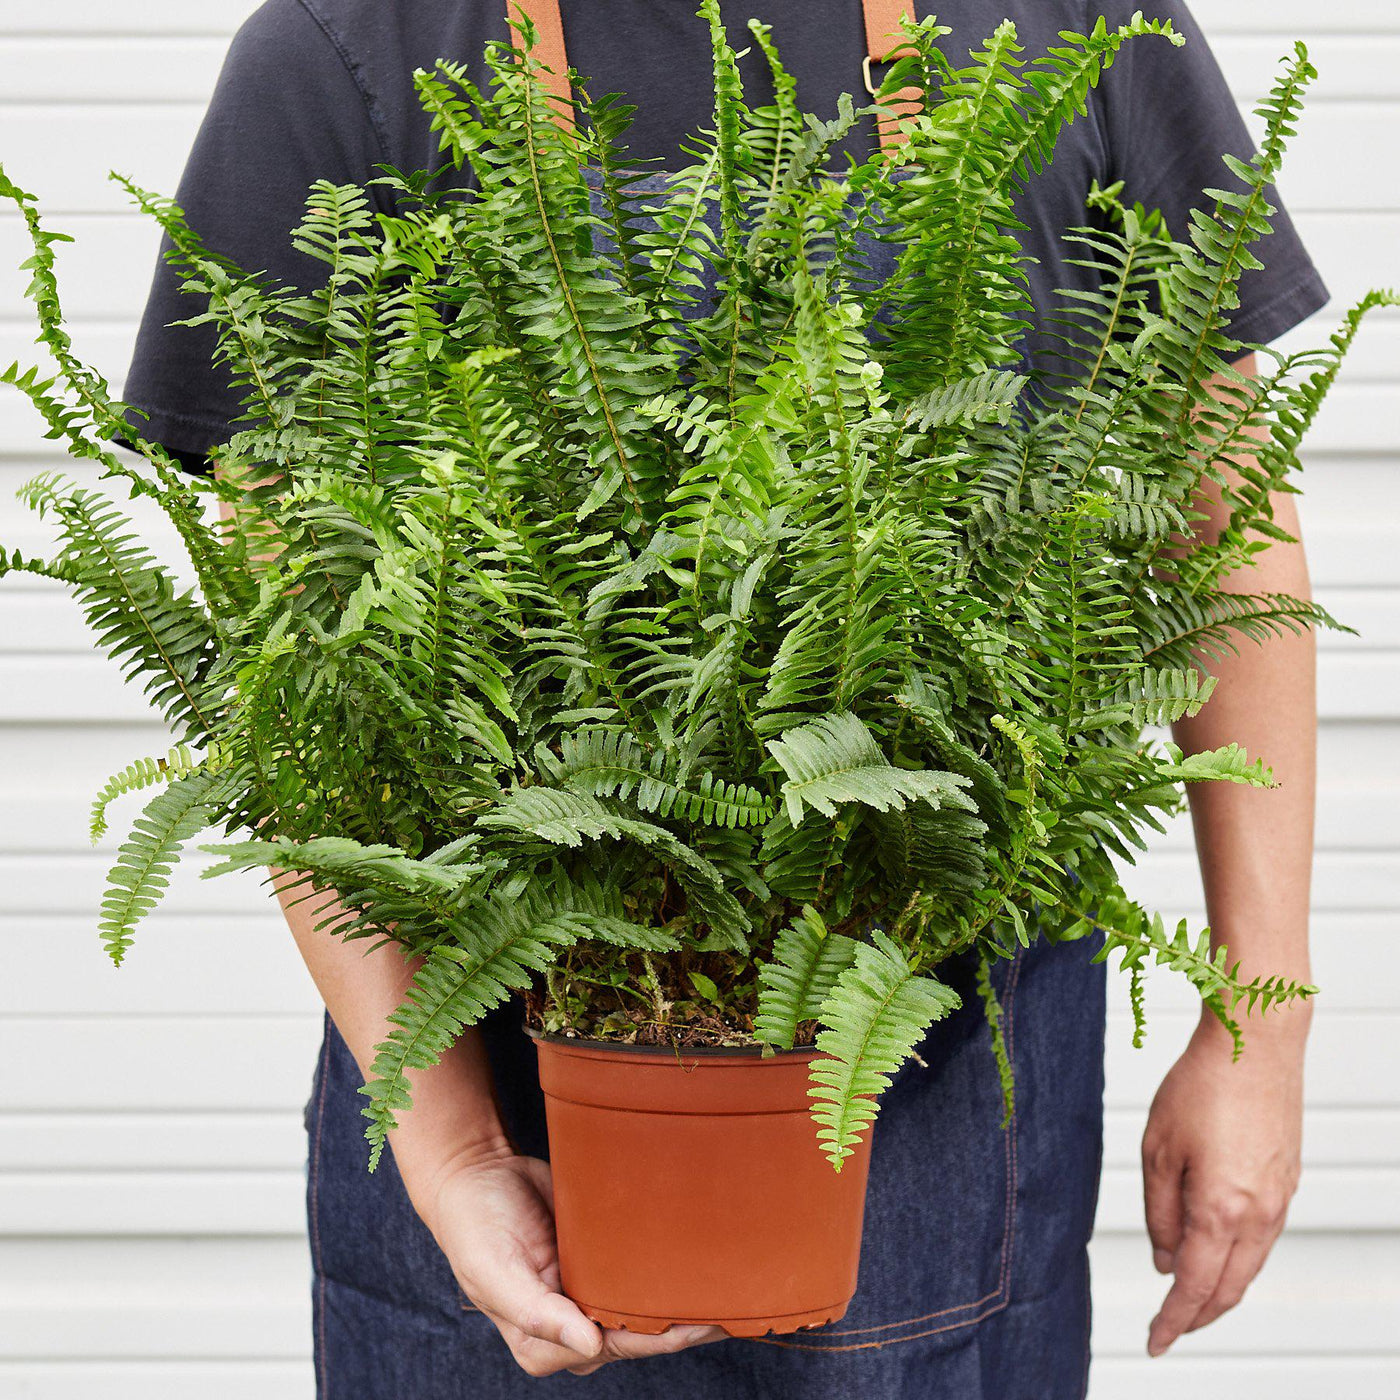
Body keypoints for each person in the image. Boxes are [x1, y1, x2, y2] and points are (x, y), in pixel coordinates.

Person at [122, 2, 1327, 1395]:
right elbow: (301, 694)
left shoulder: (1073, 19)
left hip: (928, 1062)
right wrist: (452, 1152)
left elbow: (1220, 525)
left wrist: (1259, 1026)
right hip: (491, 1089)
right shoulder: (350, 47)